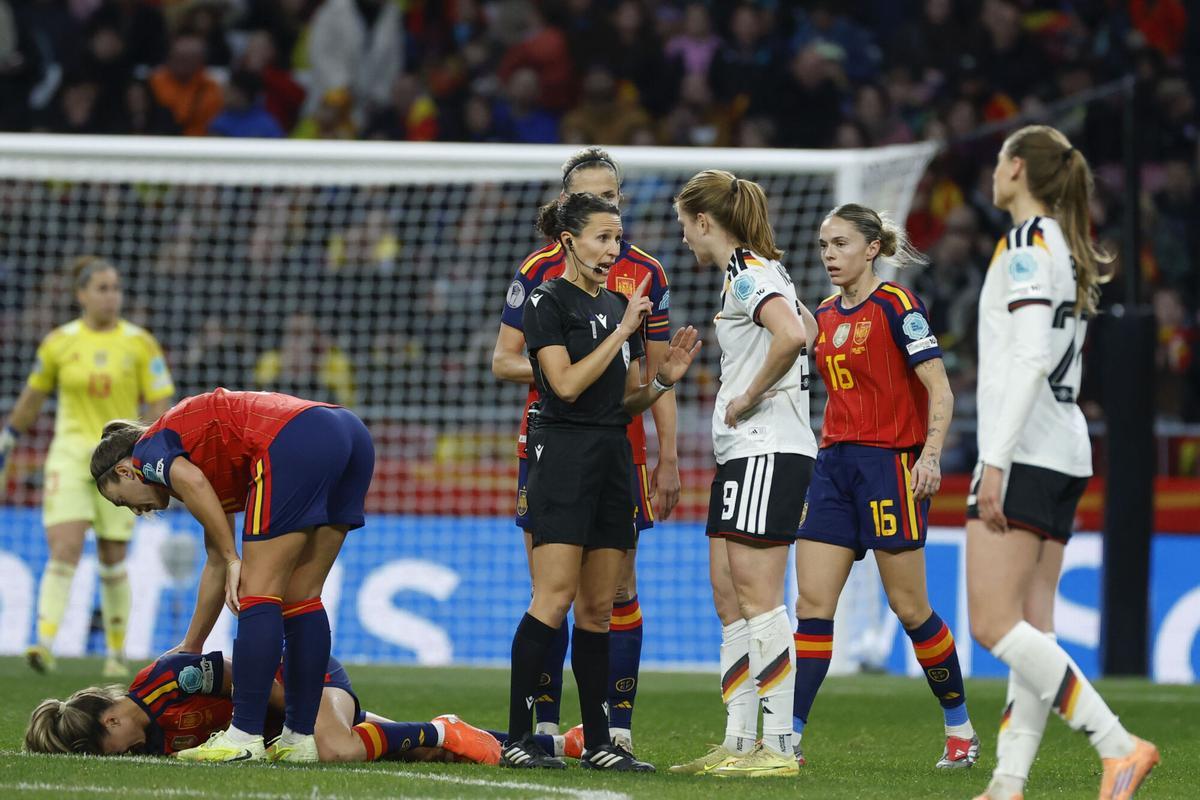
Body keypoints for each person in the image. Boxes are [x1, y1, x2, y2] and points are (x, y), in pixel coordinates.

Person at [967, 125, 1160, 800]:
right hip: (1062, 445)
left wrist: (992, 459)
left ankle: (1119, 744)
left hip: (1026, 449)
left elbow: (1027, 356)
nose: (993, 173)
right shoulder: (1064, 249)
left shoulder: (1026, 245)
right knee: (1033, 630)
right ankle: (1007, 782)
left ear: (1017, 169)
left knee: (992, 623)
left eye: (999, 162)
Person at [500, 192, 700, 771]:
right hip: (562, 457)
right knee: (553, 598)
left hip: (614, 457)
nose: (613, 249)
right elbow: (562, 385)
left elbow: (623, 398)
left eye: (617, 238)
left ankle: (597, 744)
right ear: (569, 241)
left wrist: (663, 381)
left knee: (598, 611)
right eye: (602, 238)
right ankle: (520, 736)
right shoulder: (545, 301)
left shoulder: (619, 304)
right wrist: (621, 333)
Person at [88, 388, 374, 763]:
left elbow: (198, 495)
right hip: (347, 432)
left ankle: (244, 735)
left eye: (123, 501)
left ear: (125, 471)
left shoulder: (148, 452)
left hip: (294, 439)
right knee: (302, 597)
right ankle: (299, 740)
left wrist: (234, 558)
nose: (136, 512)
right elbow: (215, 558)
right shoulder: (198, 457)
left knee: (258, 593)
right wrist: (192, 644)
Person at [791, 204, 978, 769]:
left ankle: (960, 730)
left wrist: (931, 455)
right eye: (825, 246)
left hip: (889, 467)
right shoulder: (822, 314)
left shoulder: (898, 305)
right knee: (811, 604)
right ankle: (789, 740)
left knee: (910, 607)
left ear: (872, 248)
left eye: (841, 244)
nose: (830, 256)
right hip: (833, 466)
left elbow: (940, 392)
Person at [667, 171, 818, 778]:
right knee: (728, 595)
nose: (684, 240)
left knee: (759, 598)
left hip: (767, 447)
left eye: (685, 225)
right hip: (746, 453)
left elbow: (795, 333)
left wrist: (750, 395)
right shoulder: (758, 271)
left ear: (706, 222)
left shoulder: (748, 272)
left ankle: (778, 747)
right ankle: (738, 740)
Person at [0, 256, 175, 678]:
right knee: (65, 547)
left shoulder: (139, 343)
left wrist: (154, 445)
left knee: (113, 557)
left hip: (119, 458)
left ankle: (116, 652)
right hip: (70, 454)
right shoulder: (59, 342)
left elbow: (159, 402)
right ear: (81, 294)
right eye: (101, 288)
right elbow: (34, 395)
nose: (110, 296)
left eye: (115, 288)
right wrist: (9, 438)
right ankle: (43, 641)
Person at [24, 649, 499, 765]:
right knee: (415, 751)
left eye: (111, 749)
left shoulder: (166, 680)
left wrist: (300, 719)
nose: (123, 757)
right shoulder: (149, 740)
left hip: (301, 680)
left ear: (110, 719)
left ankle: (444, 727)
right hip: (286, 724)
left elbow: (248, 675)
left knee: (337, 750)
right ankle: (559, 742)